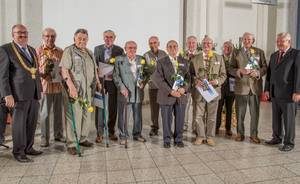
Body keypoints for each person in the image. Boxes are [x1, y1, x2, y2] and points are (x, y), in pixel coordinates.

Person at [0, 24, 43, 162]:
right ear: (13, 34)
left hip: (34, 92)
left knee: (31, 122)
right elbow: (2, 75)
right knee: (19, 125)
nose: (23, 35)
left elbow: (34, 70)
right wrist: (7, 94)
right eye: (19, 33)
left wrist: (39, 88)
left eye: (25, 32)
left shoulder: (31, 49)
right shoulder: (5, 49)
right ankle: (18, 152)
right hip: (18, 94)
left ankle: (29, 148)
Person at [60, 28, 101, 155]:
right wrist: (71, 86)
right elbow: (64, 70)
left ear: (87, 40)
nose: (82, 41)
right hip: (75, 90)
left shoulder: (89, 52)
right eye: (79, 39)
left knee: (86, 115)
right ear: (74, 39)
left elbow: (95, 70)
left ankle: (83, 138)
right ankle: (72, 143)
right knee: (74, 116)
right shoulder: (69, 51)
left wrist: (98, 82)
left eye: (84, 39)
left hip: (88, 90)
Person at [151, 40, 191, 148]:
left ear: (178, 48)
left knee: (180, 119)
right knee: (166, 120)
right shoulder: (161, 62)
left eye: (175, 46)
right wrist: (171, 91)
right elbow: (158, 79)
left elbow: (188, 78)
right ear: (167, 48)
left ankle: (178, 139)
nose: (172, 48)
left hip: (181, 96)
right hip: (166, 96)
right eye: (170, 47)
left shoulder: (185, 61)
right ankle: (167, 140)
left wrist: (184, 88)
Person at [229, 32, 267, 143]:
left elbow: (265, 67)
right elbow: (230, 68)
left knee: (255, 113)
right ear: (242, 40)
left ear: (253, 40)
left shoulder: (259, 52)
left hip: (255, 88)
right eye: (245, 39)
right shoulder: (236, 52)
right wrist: (238, 71)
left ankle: (254, 135)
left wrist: (258, 72)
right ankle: (240, 134)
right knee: (240, 113)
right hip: (241, 87)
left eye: (249, 39)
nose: (247, 41)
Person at [264, 32, 300, 151]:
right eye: (278, 41)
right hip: (274, 93)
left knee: (289, 120)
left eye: (282, 41)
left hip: (289, 94)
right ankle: (277, 138)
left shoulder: (296, 54)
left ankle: (289, 142)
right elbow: (269, 74)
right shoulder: (274, 55)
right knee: (276, 118)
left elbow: (298, 74)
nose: (279, 43)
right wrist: (267, 89)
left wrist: (297, 91)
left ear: (289, 42)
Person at [190, 36, 226, 146]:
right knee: (198, 116)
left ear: (212, 45)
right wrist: (196, 81)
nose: (206, 45)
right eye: (204, 43)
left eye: (209, 43)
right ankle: (200, 136)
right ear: (201, 45)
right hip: (200, 90)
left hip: (213, 91)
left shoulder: (219, 58)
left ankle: (209, 137)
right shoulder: (195, 58)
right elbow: (190, 74)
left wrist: (216, 81)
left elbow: (224, 75)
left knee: (212, 116)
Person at [113, 41, 147, 145]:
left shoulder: (141, 59)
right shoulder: (119, 60)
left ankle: (137, 134)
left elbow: (145, 74)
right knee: (123, 115)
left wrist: (143, 82)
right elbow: (116, 76)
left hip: (138, 92)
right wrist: (122, 88)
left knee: (137, 115)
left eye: (134, 48)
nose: (132, 50)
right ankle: (123, 135)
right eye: (130, 48)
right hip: (125, 92)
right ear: (125, 48)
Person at [36, 28, 65, 147]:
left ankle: (58, 135)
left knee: (58, 113)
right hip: (45, 87)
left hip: (58, 86)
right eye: (47, 36)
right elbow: (33, 68)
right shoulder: (37, 50)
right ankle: (44, 138)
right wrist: (43, 75)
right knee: (45, 114)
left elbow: (63, 67)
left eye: (52, 36)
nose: (50, 38)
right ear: (43, 37)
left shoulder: (60, 51)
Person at [94, 30, 124, 143]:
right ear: (103, 37)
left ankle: (111, 131)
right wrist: (98, 82)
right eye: (106, 37)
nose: (108, 39)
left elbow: (121, 67)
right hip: (100, 83)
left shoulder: (119, 50)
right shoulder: (97, 49)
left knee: (112, 108)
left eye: (111, 37)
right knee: (99, 107)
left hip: (113, 83)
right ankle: (99, 133)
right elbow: (95, 66)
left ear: (114, 38)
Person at [143, 36, 167, 136]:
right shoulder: (146, 55)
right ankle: (154, 128)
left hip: (163, 87)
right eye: (151, 43)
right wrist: (144, 81)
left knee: (165, 108)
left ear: (159, 43)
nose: (153, 45)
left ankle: (166, 128)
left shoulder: (164, 54)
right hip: (153, 86)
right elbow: (144, 71)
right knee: (154, 109)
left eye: (155, 43)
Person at [215, 41, 235, 136]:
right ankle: (216, 127)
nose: (227, 48)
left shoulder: (235, 59)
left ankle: (228, 128)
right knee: (218, 108)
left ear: (232, 48)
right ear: (223, 48)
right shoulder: (218, 58)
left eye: (229, 47)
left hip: (232, 88)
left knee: (229, 109)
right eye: (225, 46)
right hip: (220, 87)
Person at [181, 36, 199, 132]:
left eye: (193, 43)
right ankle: (184, 125)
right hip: (186, 84)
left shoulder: (200, 55)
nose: (191, 45)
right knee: (185, 105)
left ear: (196, 44)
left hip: (197, 85)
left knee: (196, 106)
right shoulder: (182, 55)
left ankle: (195, 127)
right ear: (186, 44)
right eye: (189, 43)